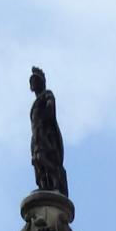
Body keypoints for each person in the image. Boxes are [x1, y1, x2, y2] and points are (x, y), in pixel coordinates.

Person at [29, 66, 68, 196]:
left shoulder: (47, 95)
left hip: (46, 134)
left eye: (36, 80)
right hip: (36, 136)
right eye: (32, 81)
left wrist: (43, 124)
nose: (34, 84)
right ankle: (44, 184)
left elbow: (50, 110)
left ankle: (56, 181)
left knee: (44, 157)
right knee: (37, 161)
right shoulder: (36, 103)